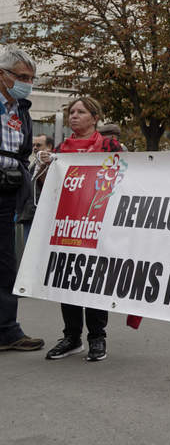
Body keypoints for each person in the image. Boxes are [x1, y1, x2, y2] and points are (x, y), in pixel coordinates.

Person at [40, 96, 122, 362]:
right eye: (72, 112)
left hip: (99, 222)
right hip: (69, 223)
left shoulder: (110, 145)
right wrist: (45, 164)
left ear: (94, 117)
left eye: (81, 112)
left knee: (95, 282)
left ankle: (97, 337)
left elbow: (124, 178)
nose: (74, 116)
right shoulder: (62, 149)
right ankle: (72, 337)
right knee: (70, 279)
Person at [0, 48, 45, 353]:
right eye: (21, 77)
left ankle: (7, 331)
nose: (27, 83)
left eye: (31, 78)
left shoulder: (21, 110)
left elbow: (22, 150)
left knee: (5, 263)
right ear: (2, 74)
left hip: (8, 192)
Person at [17, 133, 54, 245]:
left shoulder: (54, 164)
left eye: (39, 145)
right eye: (33, 145)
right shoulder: (32, 164)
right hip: (28, 214)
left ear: (49, 147)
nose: (35, 148)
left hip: (42, 216)